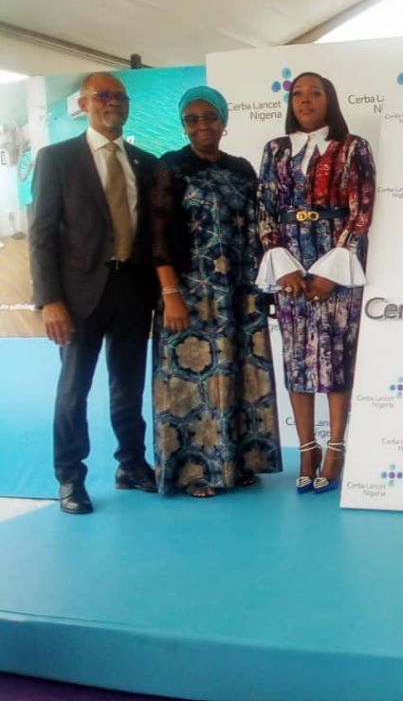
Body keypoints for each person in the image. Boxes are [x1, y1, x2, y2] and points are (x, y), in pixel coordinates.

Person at [29, 72, 158, 514]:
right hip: (78, 296)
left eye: (120, 97)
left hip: (133, 291)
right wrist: (50, 301)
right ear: (83, 103)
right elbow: (42, 234)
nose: (113, 103)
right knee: (73, 390)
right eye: (103, 95)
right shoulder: (56, 159)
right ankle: (69, 478)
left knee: (129, 387)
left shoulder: (144, 161)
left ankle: (132, 465)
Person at [150, 86, 282, 498]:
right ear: (183, 126)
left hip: (241, 292)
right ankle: (195, 472)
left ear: (224, 122)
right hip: (192, 295)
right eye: (192, 119)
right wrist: (170, 293)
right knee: (192, 382)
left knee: (240, 374)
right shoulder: (170, 168)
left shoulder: (242, 169)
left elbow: (262, 227)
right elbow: (156, 238)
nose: (201, 125)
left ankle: (240, 463)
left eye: (209, 117)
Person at [256, 71, 374, 495]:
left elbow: (361, 210)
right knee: (298, 360)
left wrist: (331, 267)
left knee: (336, 356)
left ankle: (336, 447)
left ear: (330, 99)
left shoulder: (352, 147)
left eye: (315, 93)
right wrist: (281, 261)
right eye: (298, 94)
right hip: (290, 265)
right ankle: (306, 450)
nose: (305, 100)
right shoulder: (275, 150)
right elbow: (265, 209)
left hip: (336, 265)